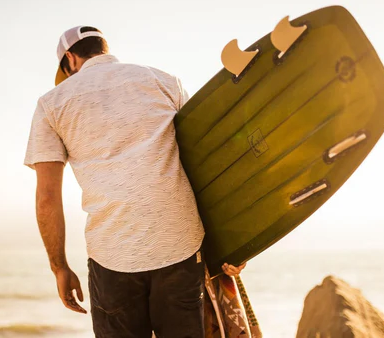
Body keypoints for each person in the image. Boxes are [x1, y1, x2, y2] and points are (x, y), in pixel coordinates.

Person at [24, 26, 245, 338]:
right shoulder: (163, 80)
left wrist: (59, 268)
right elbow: (210, 159)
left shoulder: (51, 104)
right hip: (181, 245)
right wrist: (234, 244)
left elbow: (47, 197)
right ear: (103, 48)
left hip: (112, 254)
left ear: (70, 59)